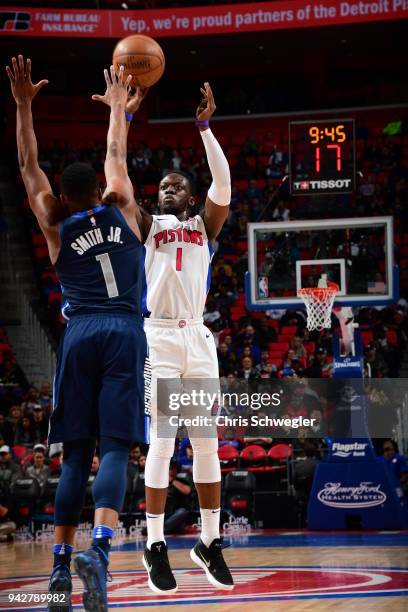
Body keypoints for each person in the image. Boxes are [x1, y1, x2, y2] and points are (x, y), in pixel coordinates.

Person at [7, 56, 148, 612]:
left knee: (74, 457)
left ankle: (61, 571)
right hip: (124, 331)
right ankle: (103, 553)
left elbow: (26, 163)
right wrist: (117, 109)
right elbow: (117, 155)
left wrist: (23, 106)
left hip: (80, 333)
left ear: (65, 197)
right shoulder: (124, 207)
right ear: (101, 191)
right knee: (115, 449)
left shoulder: (53, 223)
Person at [107, 81, 233, 592]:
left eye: (177, 184)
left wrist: (205, 129)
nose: (169, 189)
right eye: (163, 185)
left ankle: (208, 541)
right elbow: (117, 185)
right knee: (161, 442)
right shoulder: (148, 224)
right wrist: (124, 118)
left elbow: (223, 185)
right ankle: (155, 543)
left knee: (207, 445)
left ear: (190, 193)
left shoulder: (206, 226)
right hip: (156, 336)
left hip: (198, 338)